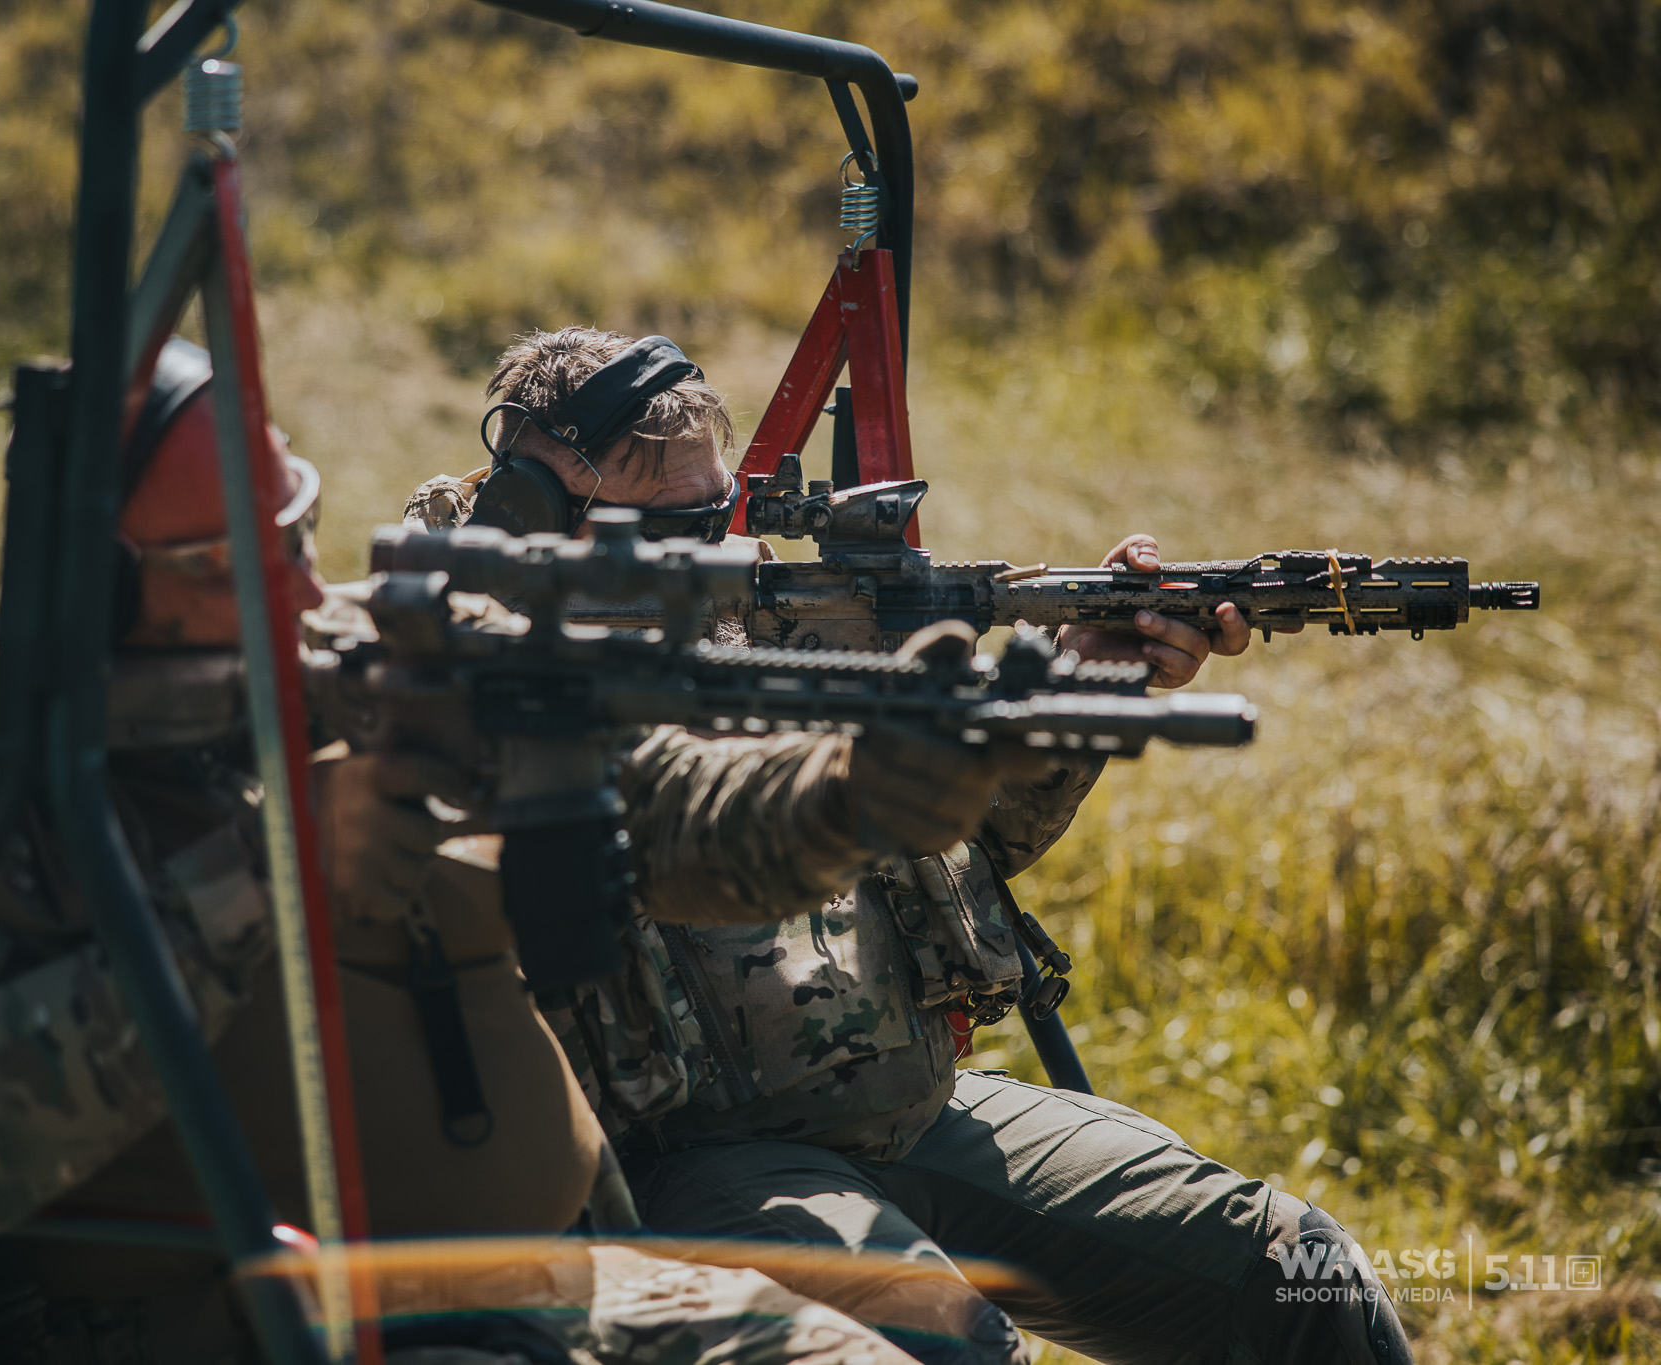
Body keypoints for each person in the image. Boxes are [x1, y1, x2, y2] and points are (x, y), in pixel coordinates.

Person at [0, 337, 946, 1365]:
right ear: (93, 587)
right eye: (233, 565)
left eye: (299, 535)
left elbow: (672, 810)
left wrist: (852, 791)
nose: (305, 591)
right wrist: (275, 871)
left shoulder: (379, 656)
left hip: (573, 1291)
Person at [403, 327, 1409, 1365]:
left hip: (916, 1116)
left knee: (1298, 1274)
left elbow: (965, 853)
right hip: (695, 1171)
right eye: (678, 525)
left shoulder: (768, 629)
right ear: (538, 512)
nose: (723, 547)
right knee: (956, 1351)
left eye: (724, 512)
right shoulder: (462, 687)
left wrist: (1077, 687)